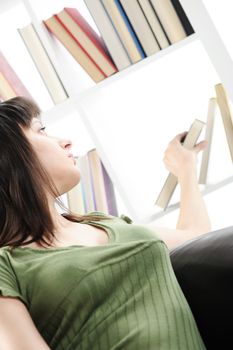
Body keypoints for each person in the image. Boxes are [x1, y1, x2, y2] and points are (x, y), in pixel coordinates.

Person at [0, 96, 211, 350]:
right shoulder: (7, 265)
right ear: (8, 156)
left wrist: (186, 169)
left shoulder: (105, 223)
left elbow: (195, 235)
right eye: (41, 130)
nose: (66, 141)